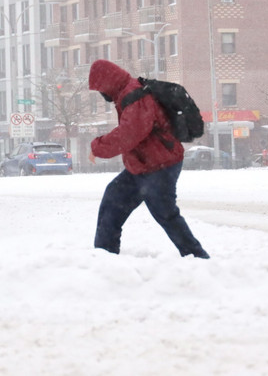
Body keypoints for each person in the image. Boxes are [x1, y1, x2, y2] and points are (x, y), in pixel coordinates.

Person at [86, 59, 209, 259]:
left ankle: (198, 258)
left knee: (166, 214)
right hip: (141, 166)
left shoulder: (135, 96)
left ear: (107, 83)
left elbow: (129, 134)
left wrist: (97, 147)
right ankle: (104, 258)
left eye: (100, 89)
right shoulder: (126, 93)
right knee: (113, 201)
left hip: (160, 165)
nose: (102, 95)